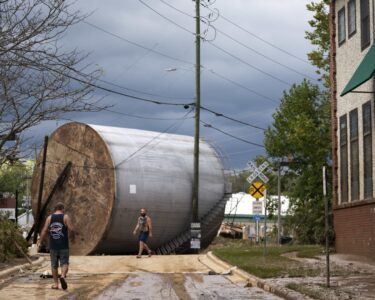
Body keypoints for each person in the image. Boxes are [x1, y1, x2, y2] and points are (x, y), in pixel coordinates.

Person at [39, 202, 75, 290]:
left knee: (54, 265)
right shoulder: (65, 217)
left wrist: (40, 242)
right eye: (64, 209)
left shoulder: (49, 218)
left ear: (55, 209)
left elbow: (44, 230)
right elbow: (72, 229)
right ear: (62, 209)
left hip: (53, 246)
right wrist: (72, 238)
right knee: (64, 263)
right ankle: (62, 276)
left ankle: (56, 284)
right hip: (63, 245)